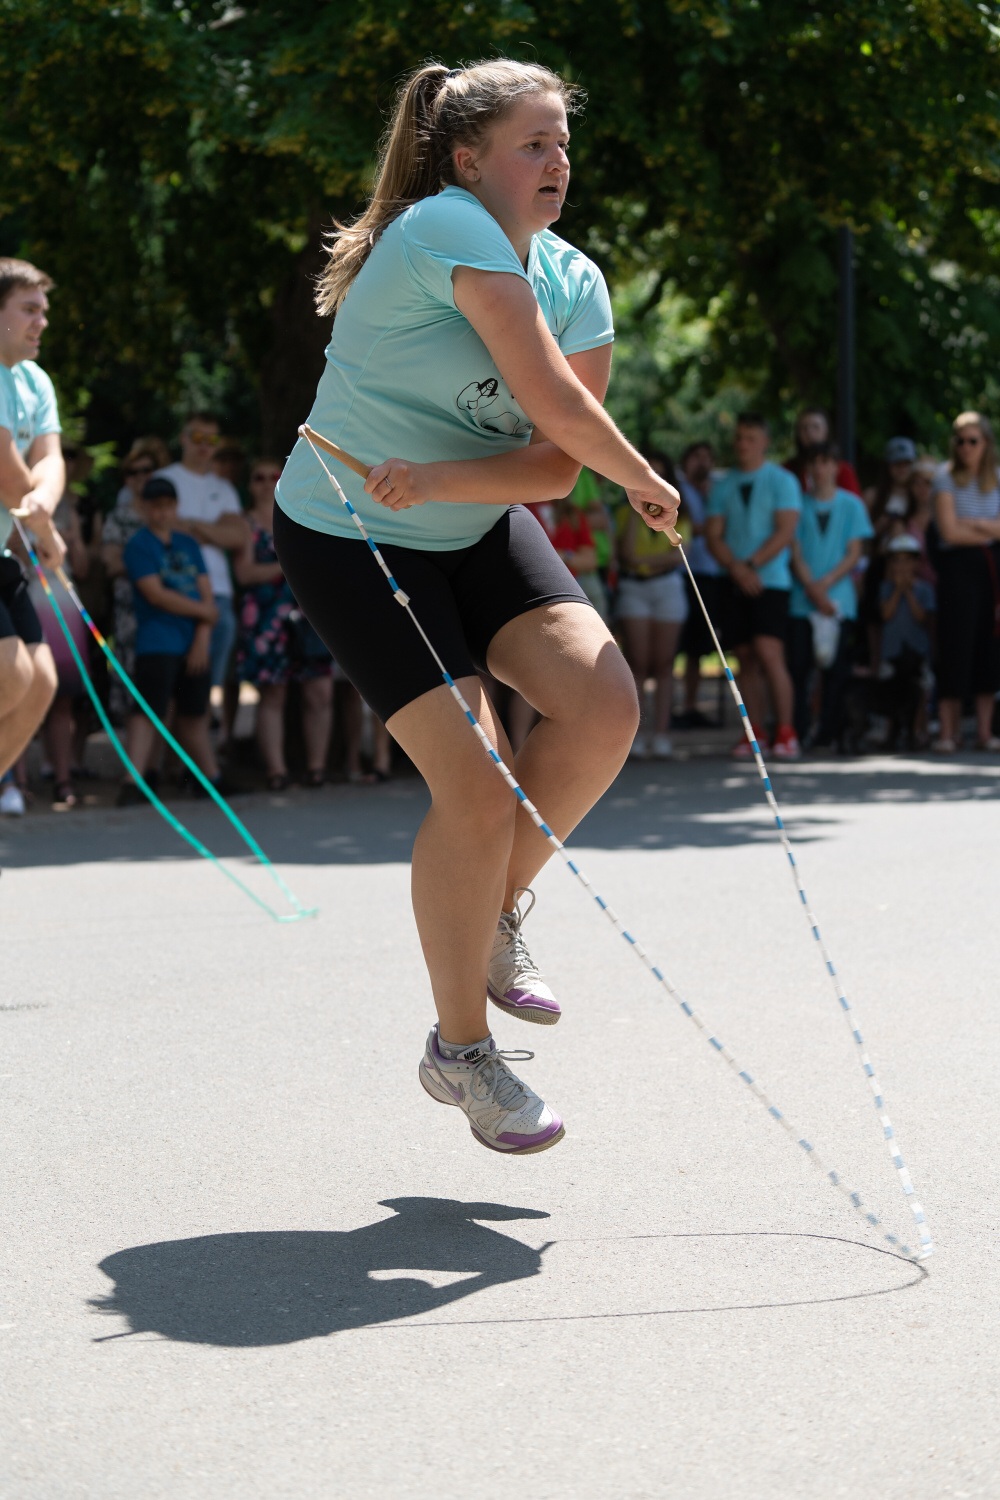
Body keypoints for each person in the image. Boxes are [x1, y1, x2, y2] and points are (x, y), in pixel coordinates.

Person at [272, 59, 678, 1155]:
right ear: (466, 160)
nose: (557, 162)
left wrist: (442, 478)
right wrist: (645, 478)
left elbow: (552, 464)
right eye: (532, 144)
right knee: (479, 783)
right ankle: (461, 1052)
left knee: (602, 707)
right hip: (351, 532)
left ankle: (488, 913)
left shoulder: (575, 278)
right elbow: (554, 405)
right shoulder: (444, 227)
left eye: (562, 143)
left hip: (469, 521)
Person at [0, 257, 65, 816]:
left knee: (40, 683)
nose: (41, 321)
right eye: (28, 310)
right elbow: (7, 471)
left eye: (43, 310)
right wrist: (45, 529)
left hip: (2, 551)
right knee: (11, 672)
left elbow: (50, 459)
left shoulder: (34, 380)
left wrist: (43, 506)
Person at [117, 477, 220, 804]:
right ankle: (133, 781)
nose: (162, 513)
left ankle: (210, 778)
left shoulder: (188, 544)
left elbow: (207, 595)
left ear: (176, 507)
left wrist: (202, 636)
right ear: (144, 508)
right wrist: (204, 612)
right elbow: (156, 594)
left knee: (195, 712)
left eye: (168, 506)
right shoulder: (138, 545)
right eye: (155, 506)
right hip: (157, 641)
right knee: (149, 711)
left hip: (194, 641)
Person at [233, 458, 334, 789]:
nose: (265, 482)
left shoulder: (302, 512)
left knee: (319, 691)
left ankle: (317, 768)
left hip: (307, 614)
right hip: (265, 618)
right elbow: (245, 573)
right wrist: (288, 565)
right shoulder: (245, 523)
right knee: (272, 693)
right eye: (258, 477)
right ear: (249, 484)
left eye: (272, 475)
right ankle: (276, 771)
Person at [706, 413, 802, 759]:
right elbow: (713, 534)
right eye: (739, 437)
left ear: (765, 442)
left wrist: (750, 565)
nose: (742, 444)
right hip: (733, 580)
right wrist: (735, 568)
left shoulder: (783, 480)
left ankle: (786, 731)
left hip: (770, 580)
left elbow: (785, 530)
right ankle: (754, 732)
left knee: (769, 651)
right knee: (744, 656)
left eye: (750, 438)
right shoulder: (722, 485)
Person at [788, 441, 873, 750]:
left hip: (839, 601)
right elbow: (794, 551)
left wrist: (825, 585)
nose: (819, 468)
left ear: (837, 467)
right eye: (814, 462)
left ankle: (829, 732)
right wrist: (812, 587)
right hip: (802, 601)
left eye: (826, 462)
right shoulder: (797, 505)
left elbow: (854, 552)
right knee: (799, 669)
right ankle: (798, 730)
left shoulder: (852, 505)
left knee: (837, 672)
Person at [155, 414, 248, 696]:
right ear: (183, 438)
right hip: (176, 589)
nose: (204, 445)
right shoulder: (165, 479)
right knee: (171, 688)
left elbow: (238, 536)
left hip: (219, 594)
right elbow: (162, 529)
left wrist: (190, 525)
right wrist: (215, 529)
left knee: (207, 689)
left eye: (211, 439)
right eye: (197, 437)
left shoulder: (224, 487)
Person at [930, 412, 1000, 753]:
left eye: (973, 441)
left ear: (986, 443)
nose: (966, 447)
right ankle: (949, 731)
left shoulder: (997, 477)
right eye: (960, 441)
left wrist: (969, 523)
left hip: (991, 572)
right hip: (957, 572)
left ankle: (984, 732)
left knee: (989, 646)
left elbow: (965, 527)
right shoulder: (944, 477)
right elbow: (948, 532)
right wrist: (988, 529)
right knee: (955, 645)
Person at [615, 450, 687, 759]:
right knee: (638, 662)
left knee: (665, 663)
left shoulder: (681, 513)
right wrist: (638, 508)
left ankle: (661, 733)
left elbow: (677, 554)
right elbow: (628, 554)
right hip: (635, 588)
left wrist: (644, 562)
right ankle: (637, 734)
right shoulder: (625, 514)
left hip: (667, 588)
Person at [102, 437, 170, 721]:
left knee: (166, 684)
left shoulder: (167, 513)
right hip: (131, 608)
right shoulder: (119, 517)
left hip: (169, 608)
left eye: (147, 470)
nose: (141, 476)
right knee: (134, 682)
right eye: (133, 471)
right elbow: (111, 563)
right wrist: (150, 569)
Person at [674, 440, 721, 728]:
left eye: (707, 457)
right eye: (696, 456)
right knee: (674, 646)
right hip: (682, 573)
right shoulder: (677, 489)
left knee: (698, 647)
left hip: (709, 575)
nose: (702, 462)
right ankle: (671, 708)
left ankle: (690, 706)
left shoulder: (716, 490)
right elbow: (690, 527)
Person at [877, 533, 935, 750]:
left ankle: (918, 732)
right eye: (896, 561)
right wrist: (897, 590)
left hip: (916, 652)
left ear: (916, 563)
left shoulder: (924, 589)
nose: (901, 566)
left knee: (918, 693)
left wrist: (908, 591)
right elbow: (886, 614)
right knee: (891, 692)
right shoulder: (885, 588)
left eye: (907, 560)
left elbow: (922, 617)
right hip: (892, 652)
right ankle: (891, 734)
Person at [785, 410, 861, 496]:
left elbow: (853, 500)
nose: (809, 432)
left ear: (826, 430)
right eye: (804, 428)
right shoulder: (788, 470)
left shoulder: (843, 470)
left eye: (816, 427)